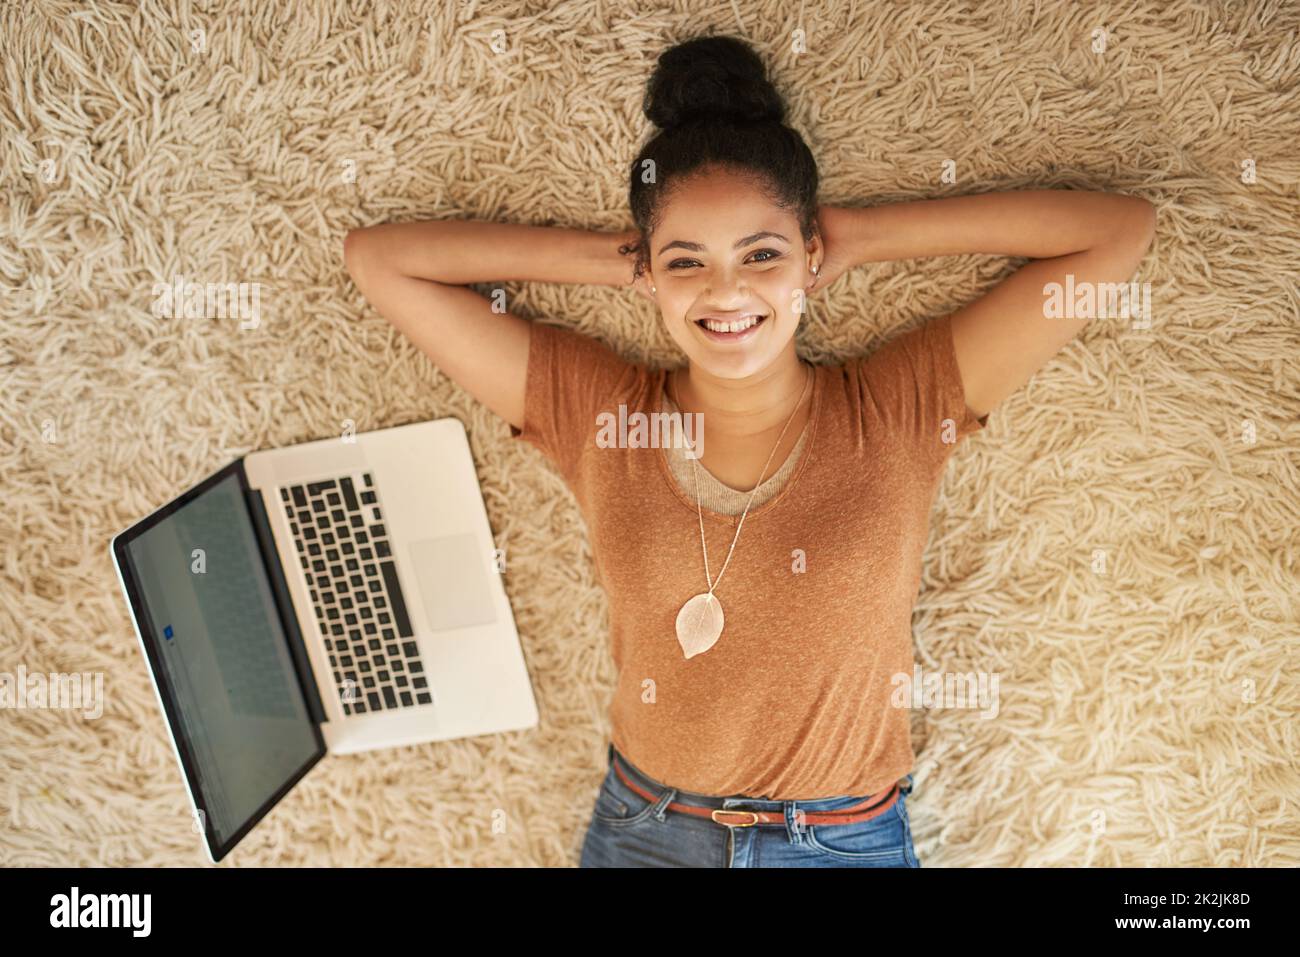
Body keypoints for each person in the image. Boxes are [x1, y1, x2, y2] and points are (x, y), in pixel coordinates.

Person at [343, 34, 1156, 867]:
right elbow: (382, 263)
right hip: (645, 829)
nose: (726, 292)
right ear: (651, 271)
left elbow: (1115, 234)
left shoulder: (900, 408)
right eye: (688, 261)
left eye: (760, 255)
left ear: (808, 257)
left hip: (839, 842)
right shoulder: (600, 412)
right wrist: (626, 259)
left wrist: (860, 238)